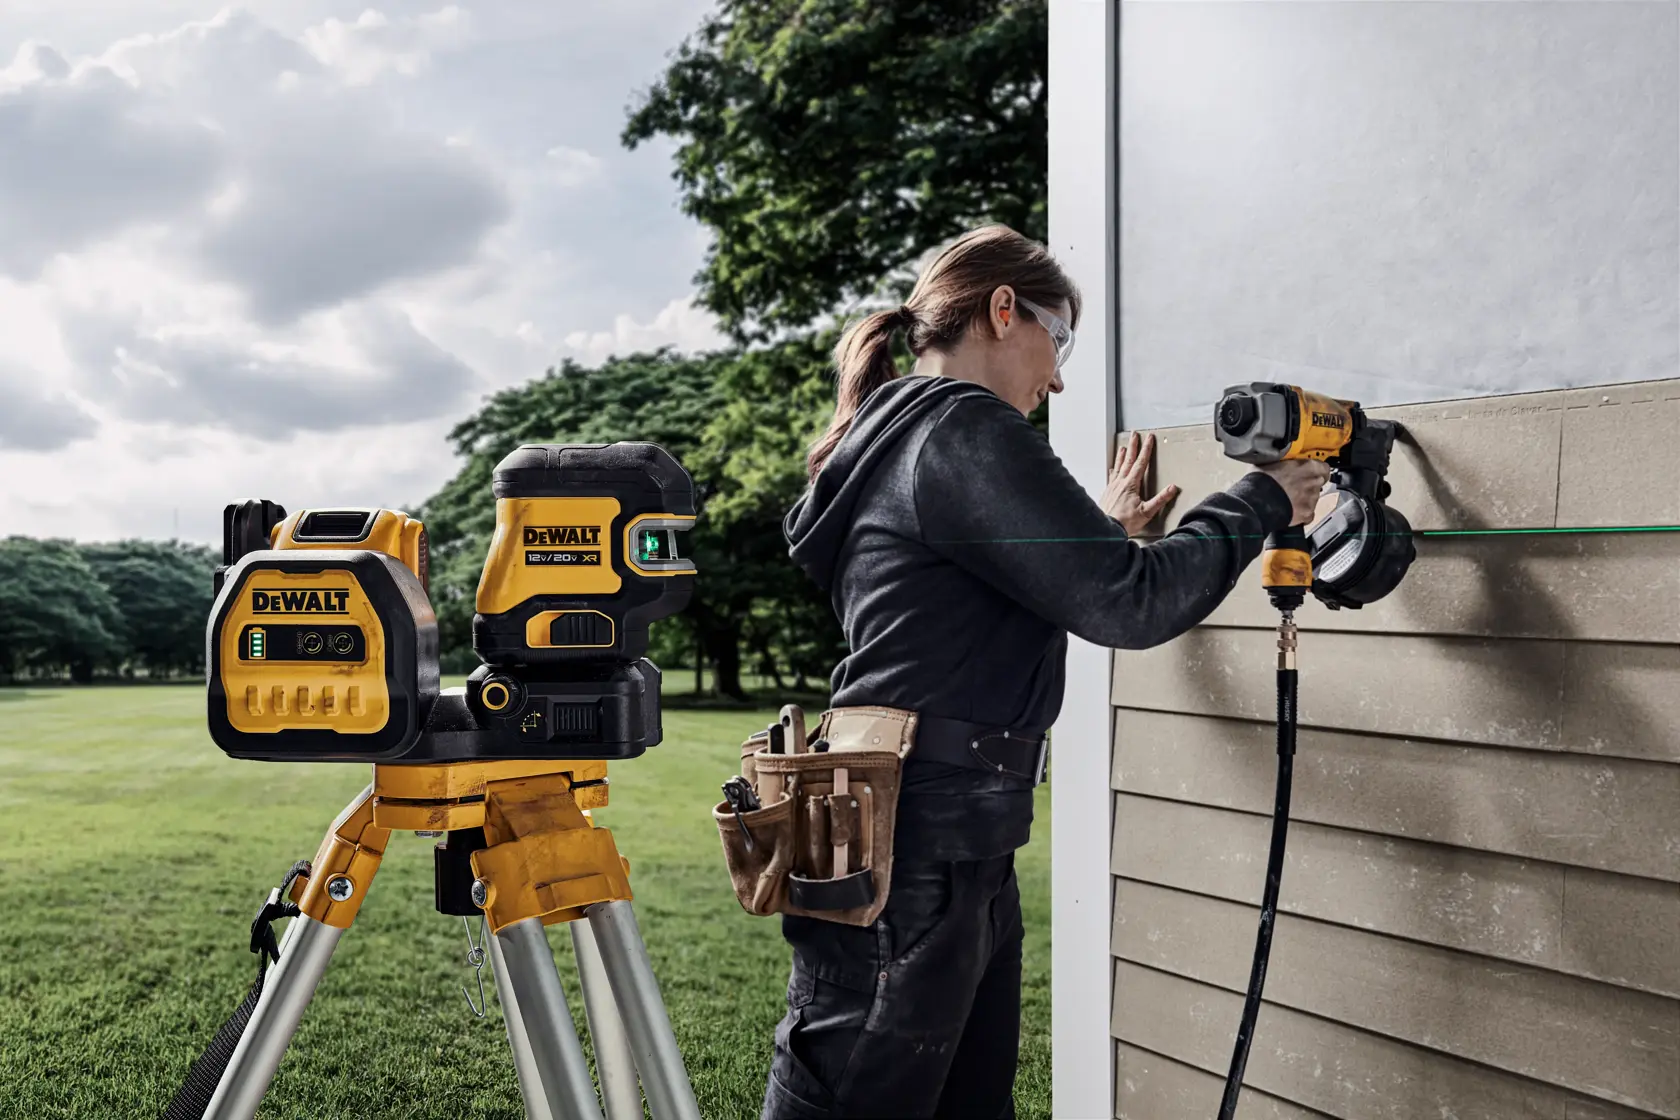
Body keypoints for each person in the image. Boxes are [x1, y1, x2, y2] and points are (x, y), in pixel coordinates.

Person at [765, 224, 1328, 1119]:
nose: (1059, 376)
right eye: (1057, 340)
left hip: (949, 841)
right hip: (922, 847)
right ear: (1001, 311)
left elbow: (993, 603)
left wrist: (1097, 537)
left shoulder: (903, 438)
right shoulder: (960, 427)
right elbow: (1127, 605)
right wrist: (1265, 498)